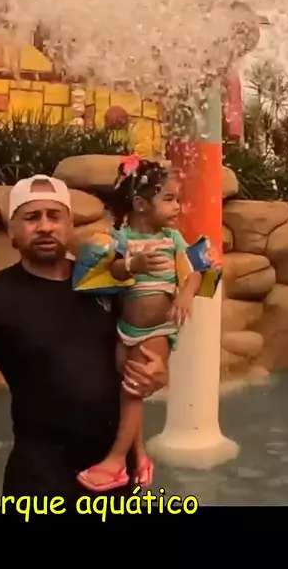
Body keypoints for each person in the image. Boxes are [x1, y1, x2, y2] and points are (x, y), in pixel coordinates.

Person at [0, 174, 168, 504]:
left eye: (54, 216)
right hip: (41, 477)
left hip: (114, 473)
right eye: (32, 217)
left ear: (69, 226)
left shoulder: (106, 283)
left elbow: (141, 345)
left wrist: (157, 372)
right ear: (12, 232)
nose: (45, 227)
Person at [77, 157, 202, 493]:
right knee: (126, 390)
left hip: (157, 330)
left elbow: (196, 271)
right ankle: (139, 455)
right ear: (140, 205)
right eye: (169, 199)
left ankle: (116, 461)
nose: (177, 206)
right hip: (126, 329)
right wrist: (134, 264)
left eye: (177, 199)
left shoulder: (173, 239)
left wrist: (185, 295)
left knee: (132, 392)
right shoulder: (122, 238)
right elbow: (115, 270)